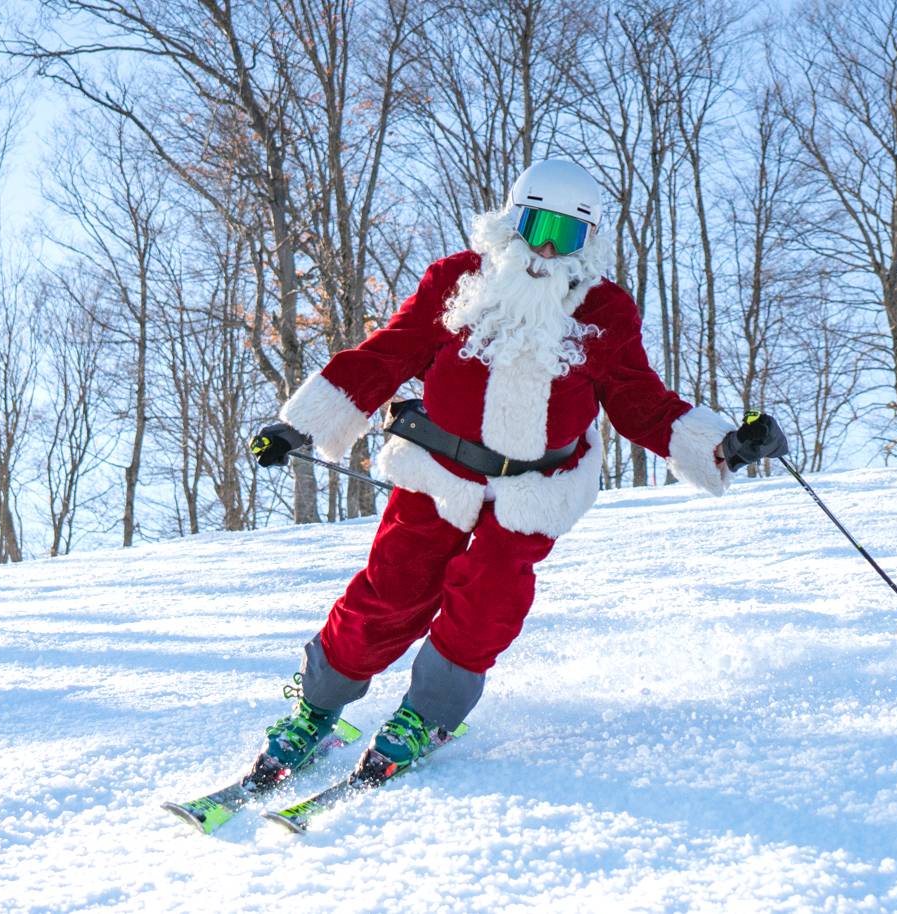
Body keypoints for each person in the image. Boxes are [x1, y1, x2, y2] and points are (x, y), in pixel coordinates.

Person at [246, 159, 788, 782]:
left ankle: (426, 714)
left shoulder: (605, 311)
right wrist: (300, 425)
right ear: (513, 220)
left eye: (568, 233)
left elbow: (642, 402)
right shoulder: (459, 282)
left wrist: (729, 446)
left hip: (534, 489)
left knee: (489, 599)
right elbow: (386, 355)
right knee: (392, 588)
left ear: (590, 240)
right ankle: (316, 708)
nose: (548, 247)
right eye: (538, 225)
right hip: (440, 471)